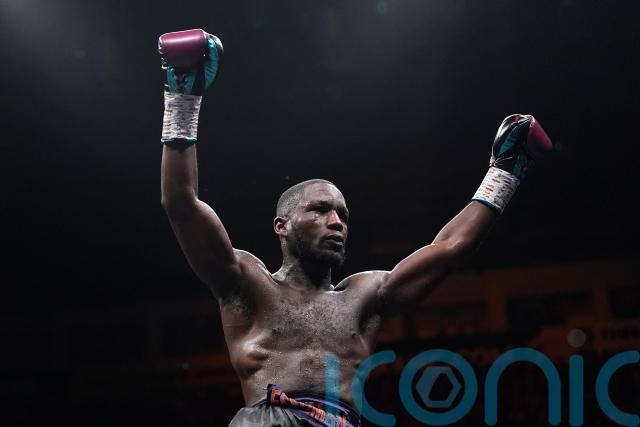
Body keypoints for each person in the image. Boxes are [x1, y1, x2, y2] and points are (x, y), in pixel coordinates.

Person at [158, 29, 552, 427]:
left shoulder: (364, 297)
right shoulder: (245, 282)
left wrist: (502, 176)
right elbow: (181, 204)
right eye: (320, 210)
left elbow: (450, 248)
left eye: (342, 215)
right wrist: (182, 97)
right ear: (282, 226)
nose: (336, 222)